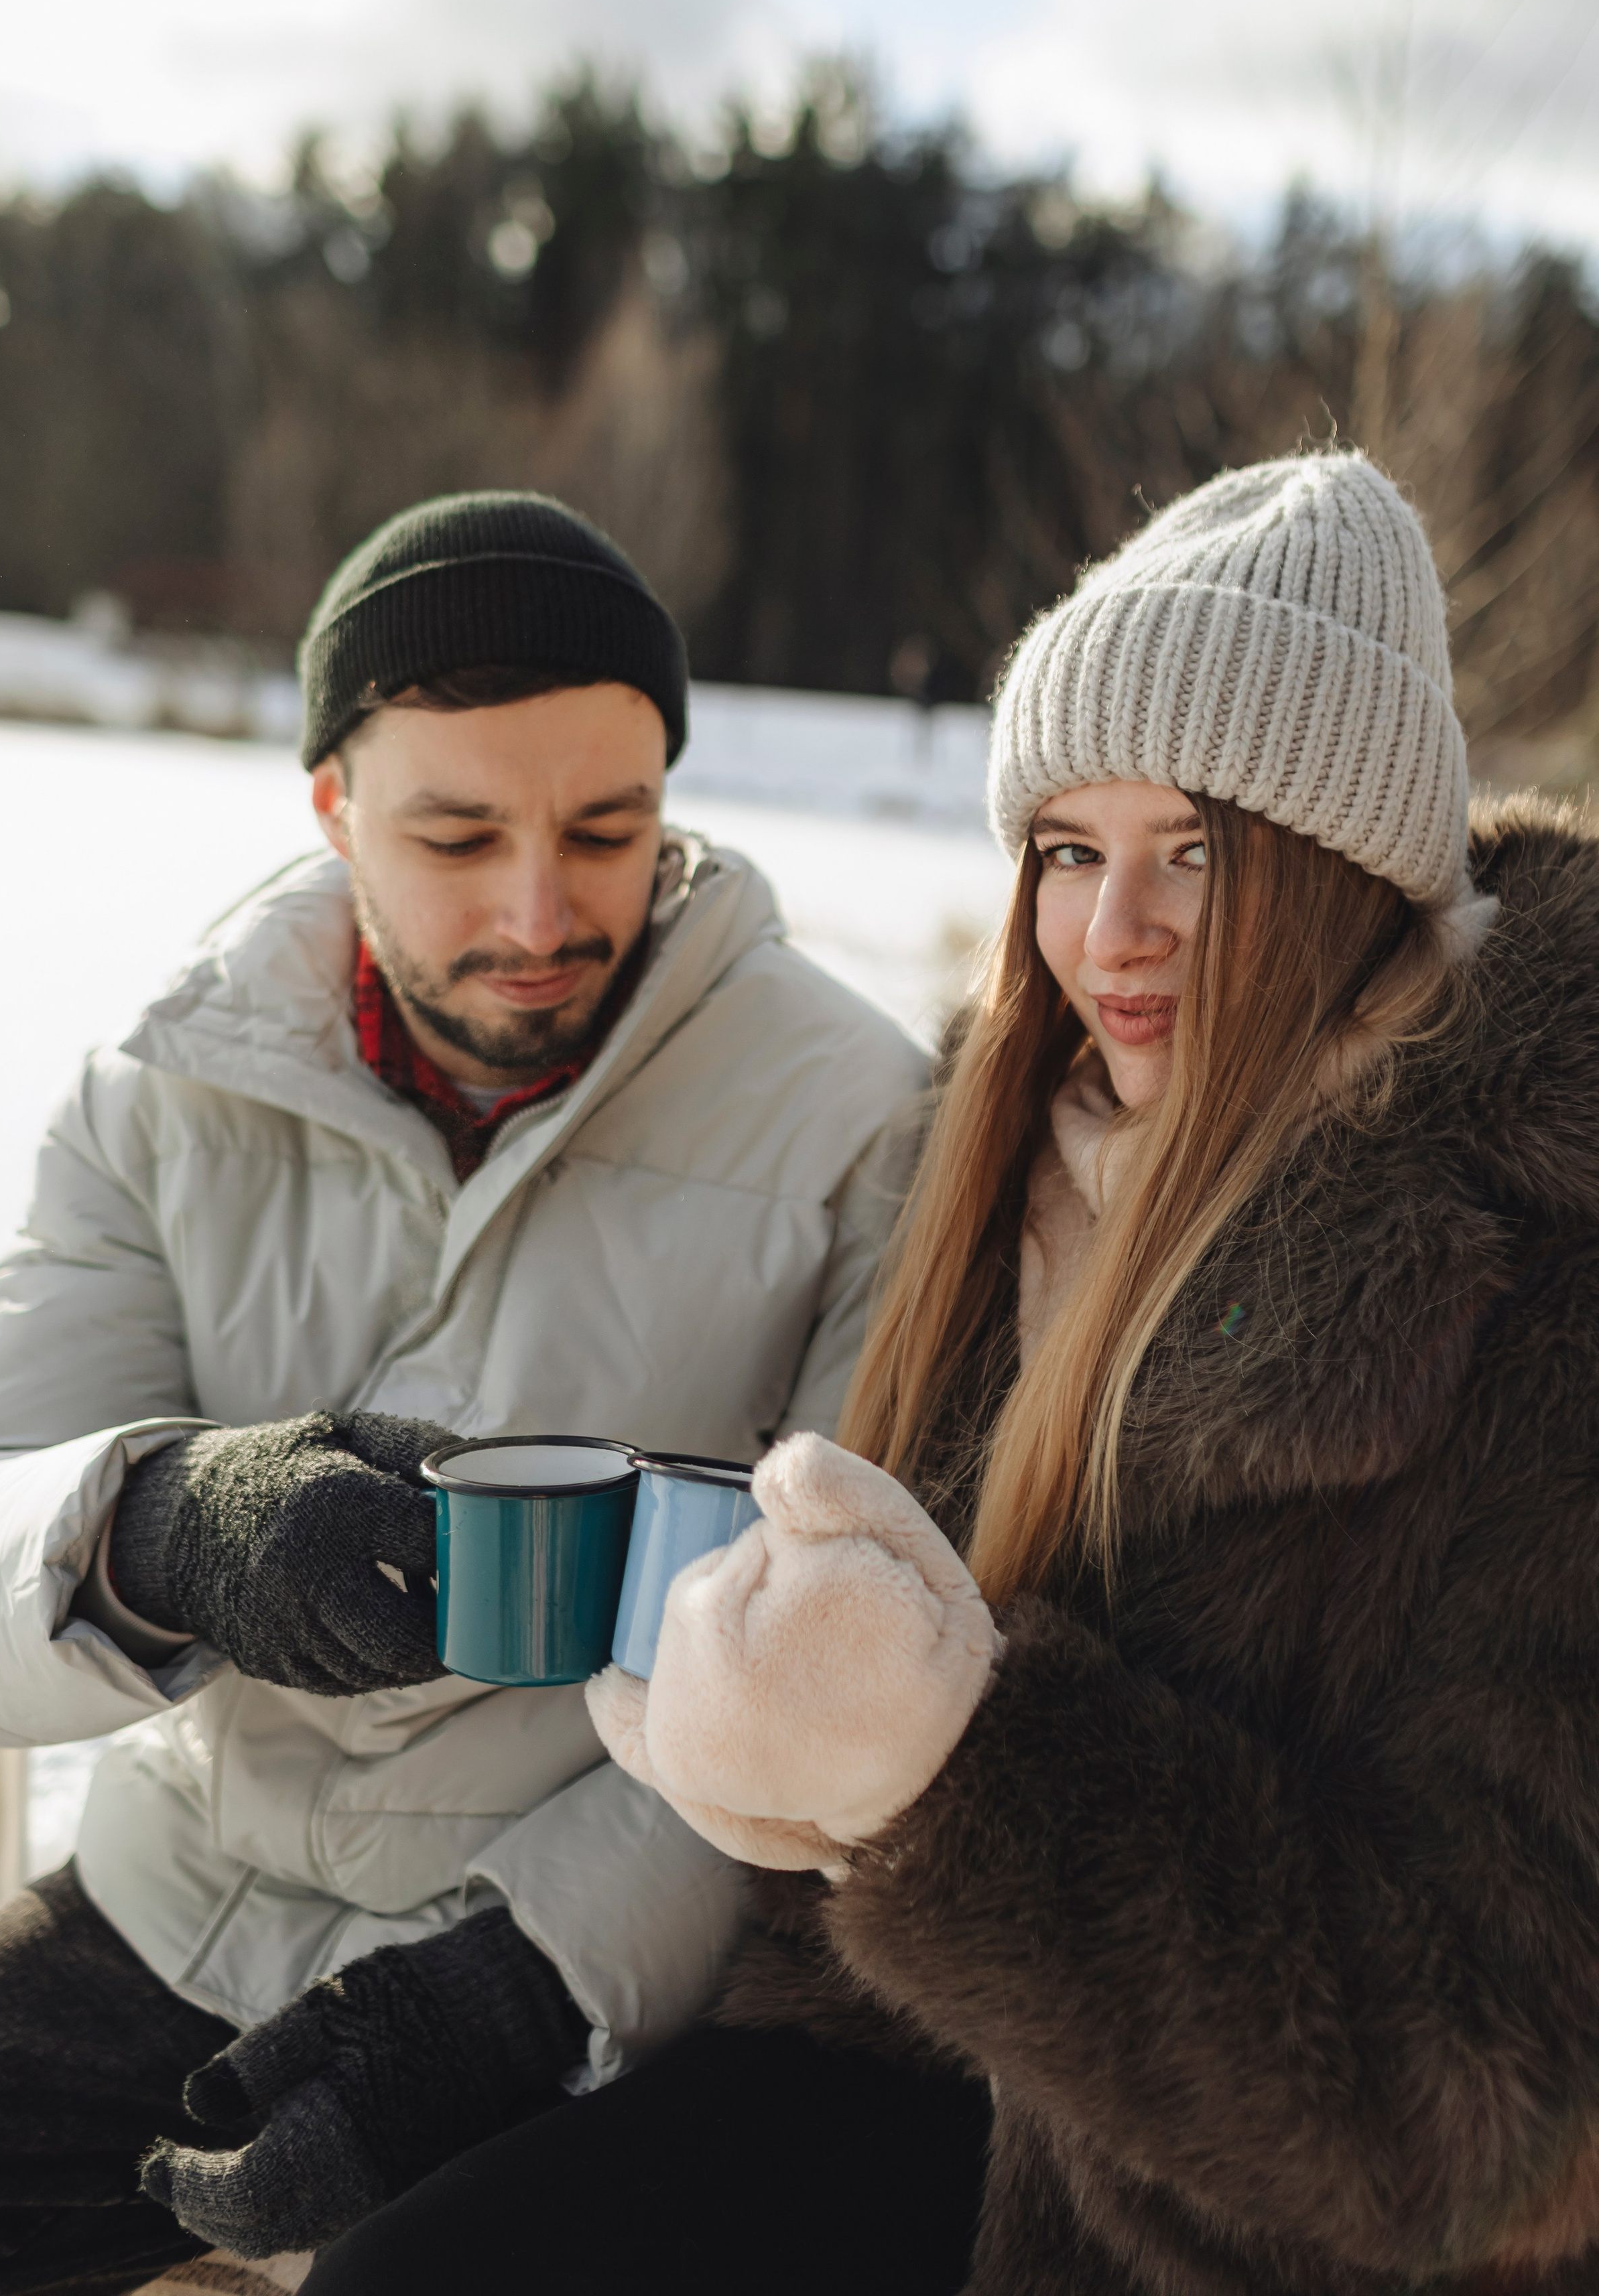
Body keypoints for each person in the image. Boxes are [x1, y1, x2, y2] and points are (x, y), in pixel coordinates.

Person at [303, 450, 1599, 2296]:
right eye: (1069, 850)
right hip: (918, 2069)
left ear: (1353, 868)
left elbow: (1484, 2102)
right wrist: (778, 1750)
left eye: (1200, 851)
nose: (1110, 933)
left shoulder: (1544, 1269)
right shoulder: (1013, 1158)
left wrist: (953, 1772)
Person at [0, 490, 928, 2294]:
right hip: (175, 1914)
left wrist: (510, 1998)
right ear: (331, 809)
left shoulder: (859, 1122)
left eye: (610, 829)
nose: (540, 910)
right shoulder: (164, 1088)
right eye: (457, 835)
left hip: (563, 1973)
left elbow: (836, 1681)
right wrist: (162, 1530)